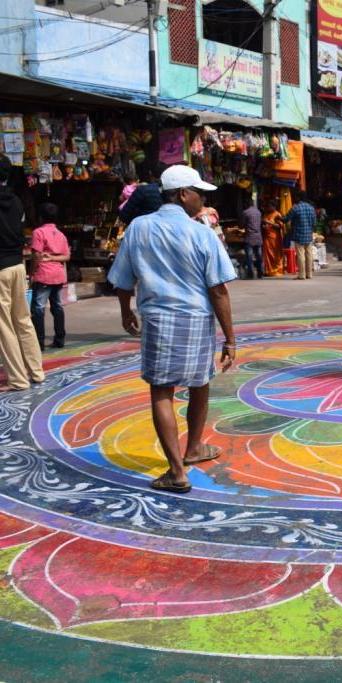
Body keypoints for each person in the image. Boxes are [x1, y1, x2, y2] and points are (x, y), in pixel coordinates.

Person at [107, 164, 237, 494]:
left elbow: (123, 278)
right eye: (199, 193)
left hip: (158, 320)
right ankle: (191, 451)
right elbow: (218, 290)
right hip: (196, 319)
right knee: (199, 383)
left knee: (162, 391)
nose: (203, 200)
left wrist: (125, 311)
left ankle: (178, 468)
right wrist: (230, 339)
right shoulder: (202, 233)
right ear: (182, 194)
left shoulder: (138, 228)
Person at [0, 154, 44, 392]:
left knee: (4, 326)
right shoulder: (16, 200)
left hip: (1, 268)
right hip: (17, 265)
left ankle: (17, 379)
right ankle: (36, 371)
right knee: (23, 319)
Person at [29, 203, 70, 350]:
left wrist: (32, 272)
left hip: (44, 274)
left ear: (40, 217)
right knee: (57, 307)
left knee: (38, 309)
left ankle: (39, 343)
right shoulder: (61, 234)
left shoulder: (38, 232)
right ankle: (60, 339)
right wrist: (54, 258)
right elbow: (67, 256)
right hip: (58, 275)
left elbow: (36, 255)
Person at [286, 191, 316, 280]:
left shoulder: (296, 208)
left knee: (300, 255)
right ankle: (309, 274)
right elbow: (314, 223)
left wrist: (279, 218)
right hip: (309, 234)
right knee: (309, 254)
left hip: (298, 234)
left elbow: (286, 218)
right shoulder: (311, 208)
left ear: (298, 198)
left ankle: (302, 275)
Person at [241, 194, 263, 279]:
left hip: (249, 237)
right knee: (258, 256)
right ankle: (260, 272)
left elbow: (242, 225)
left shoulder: (245, 212)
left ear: (246, 204)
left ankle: (251, 273)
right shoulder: (258, 212)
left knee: (249, 256)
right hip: (258, 237)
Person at [261, 200, 284, 277]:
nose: (268, 208)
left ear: (274, 206)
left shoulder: (277, 214)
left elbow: (279, 226)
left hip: (275, 238)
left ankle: (276, 270)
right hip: (267, 237)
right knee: (267, 254)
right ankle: (268, 270)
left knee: (275, 254)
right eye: (267, 206)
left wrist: (268, 222)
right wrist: (264, 225)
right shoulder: (266, 214)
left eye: (269, 206)